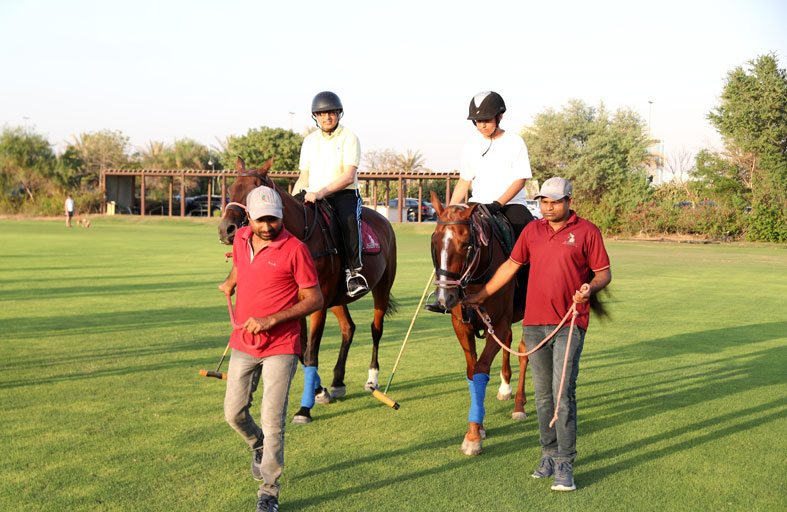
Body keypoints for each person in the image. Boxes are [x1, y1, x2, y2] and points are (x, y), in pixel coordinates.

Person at [463, 177, 611, 492]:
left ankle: (565, 464)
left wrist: (590, 288)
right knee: (543, 397)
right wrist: (481, 295)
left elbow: (603, 273)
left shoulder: (587, 232)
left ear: (569, 201)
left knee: (562, 395)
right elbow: (510, 266)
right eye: (544, 201)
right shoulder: (531, 231)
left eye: (555, 202)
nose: (548, 207)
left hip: (570, 322)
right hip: (534, 325)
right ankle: (548, 455)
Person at [218, 185, 323, 512]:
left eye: (273, 219)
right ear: (249, 217)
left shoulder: (296, 249)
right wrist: (231, 281)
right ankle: (257, 444)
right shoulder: (240, 238)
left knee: (272, 419)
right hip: (243, 342)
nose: (267, 226)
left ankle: (269, 491)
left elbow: (315, 299)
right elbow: (240, 264)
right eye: (261, 220)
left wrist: (271, 320)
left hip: (281, 344)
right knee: (234, 413)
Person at [293, 91, 368, 297]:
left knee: (349, 221)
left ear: (339, 114)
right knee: (289, 219)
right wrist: (290, 202)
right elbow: (304, 178)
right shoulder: (309, 141)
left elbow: (348, 176)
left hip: (343, 194)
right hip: (312, 194)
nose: (327, 117)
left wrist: (321, 192)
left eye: (332, 112)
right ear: (315, 116)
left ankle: (353, 273)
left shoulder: (349, 138)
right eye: (322, 113)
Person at [450, 91, 534, 238]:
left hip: (510, 205)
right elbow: (464, 180)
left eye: (487, 120)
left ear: (499, 117)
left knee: (530, 237)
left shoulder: (515, 142)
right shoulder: (470, 145)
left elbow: (520, 180)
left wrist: (497, 204)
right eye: (478, 121)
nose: (482, 125)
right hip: (477, 204)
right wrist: (450, 207)